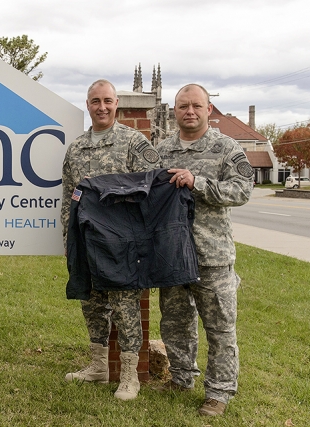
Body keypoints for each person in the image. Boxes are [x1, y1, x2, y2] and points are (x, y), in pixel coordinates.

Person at [156, 84, 253, 416]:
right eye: (183, 106)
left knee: (220, 327)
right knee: (175, 323)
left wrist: (198, 182)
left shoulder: (226, 148)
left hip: (211, 256)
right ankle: (181, 378)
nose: (190, 112)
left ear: (209, 110)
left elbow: (242, 190)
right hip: (172, 255)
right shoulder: (163, 149)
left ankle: (219, 393)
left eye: (196, 105)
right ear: (174, 111)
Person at [61, 79, 161, 400]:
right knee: (91, 304)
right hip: (87, 242)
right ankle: (99, 367)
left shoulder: (134, 142)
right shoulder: (76, 148)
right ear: (87, 105)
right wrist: (68, 238)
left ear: (116, 103)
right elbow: (68, 198)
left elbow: (153, 188)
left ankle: (130, 377)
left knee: (124, 307)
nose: (101, 107)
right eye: (95, 101)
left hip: (123, 244)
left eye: (107, 101)